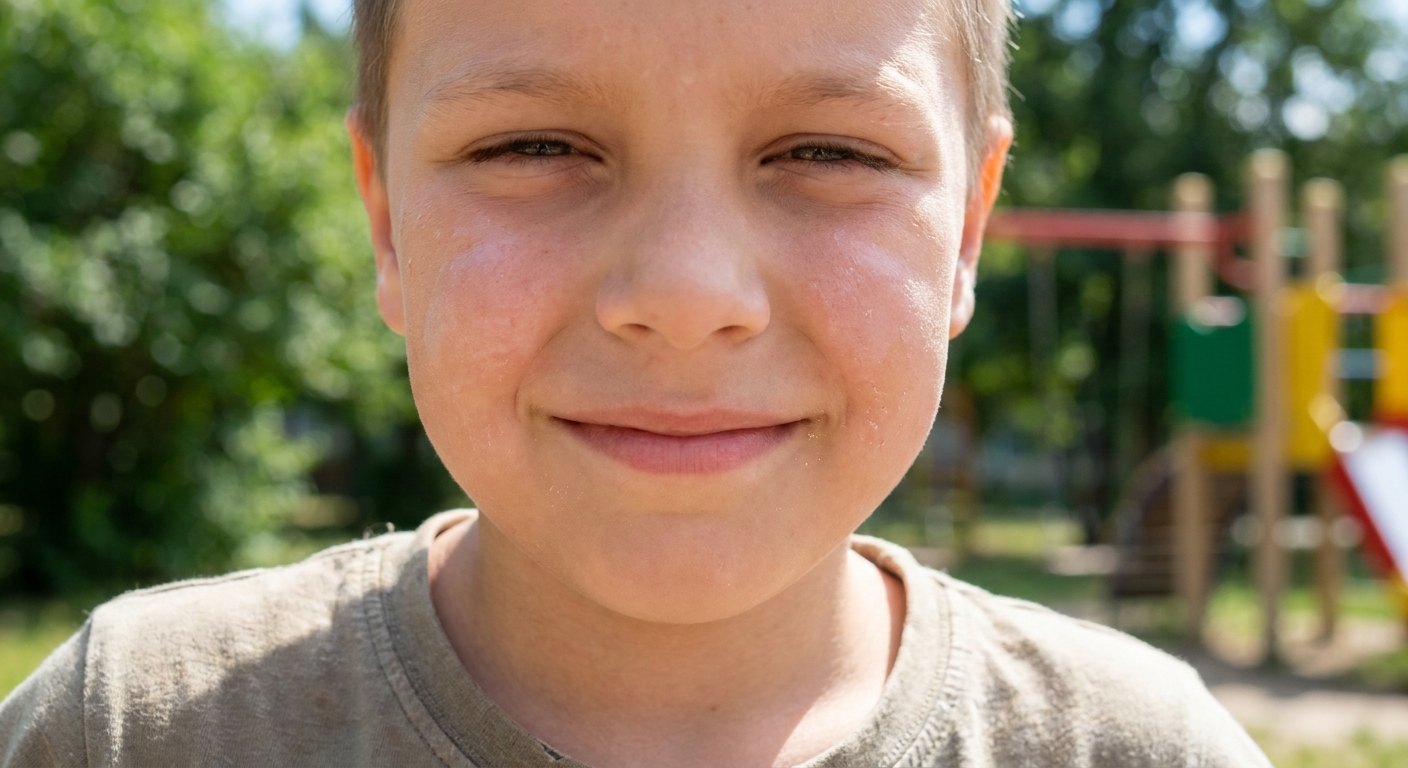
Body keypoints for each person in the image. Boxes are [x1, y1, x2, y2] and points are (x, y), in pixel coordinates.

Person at [0, 0, 1271, 765]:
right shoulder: (139, 731)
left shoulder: (1137, 748)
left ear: (966, 236)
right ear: (386, 223)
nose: (684, 290)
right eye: (534, 145)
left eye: (826, 150)